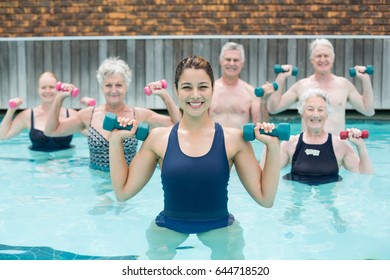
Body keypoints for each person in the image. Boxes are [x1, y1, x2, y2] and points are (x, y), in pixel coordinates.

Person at [108, 55, 281, 259]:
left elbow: (265, 199)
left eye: (203, 87)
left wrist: (273, 147)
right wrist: (115, 141)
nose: (195, 95)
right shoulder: (158, 139)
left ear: (212, 89)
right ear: (176, 89)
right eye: (187, 87)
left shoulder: (233, 139)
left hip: (220, 226)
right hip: (168, 227)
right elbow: (122, 192)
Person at [44, 57, 181, 172]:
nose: (113, 90)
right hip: (98, 182)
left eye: (119, 85)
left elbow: (179, 126)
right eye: (108, 85)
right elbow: (51, 131)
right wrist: (59, 98)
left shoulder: (138, 114)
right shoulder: (88, 115)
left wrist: (165, 96)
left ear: (126, 87)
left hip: (128, 182)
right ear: (102, 87)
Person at [267, 38, 375, 135]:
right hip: (307, 148)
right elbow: (274, 108)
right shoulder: (302, 85)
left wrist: (365, 79)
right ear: (312, 60)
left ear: (332, 59)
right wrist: (281, 78)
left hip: (336, 149)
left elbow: (368, 111)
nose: (322, 60)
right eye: (318, 56)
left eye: (326, 56)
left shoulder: (344, 85)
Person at [280, 87, 373, 185]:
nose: (315, 115)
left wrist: (360, 146)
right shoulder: (289, 144)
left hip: (329, 198)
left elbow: (365, 175)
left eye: (320, 110)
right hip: (298, 198)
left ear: (327, 114)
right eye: (310, 109)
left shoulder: (340, 145)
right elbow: (268, 171)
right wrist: (270, 143)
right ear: (302, 113)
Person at [0, 72, 81, 152]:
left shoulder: (71, 114)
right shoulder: (28, 115)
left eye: (51, 87)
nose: (47, 91)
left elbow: (91, 133)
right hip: (39, 163)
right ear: (38, 90)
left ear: (58, 89)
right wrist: (11, 110)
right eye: (43, 87)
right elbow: (2, 135)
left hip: (65, 162)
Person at [209, 42, 274, 128]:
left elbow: (261, 126)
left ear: (242, 63)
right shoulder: (209, 90)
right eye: (228, 59)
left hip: (239, 141)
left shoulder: (251, 92)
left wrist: (264, 100)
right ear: (221, 61)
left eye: (236, 60)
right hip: (214, 141)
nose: (232, 63)